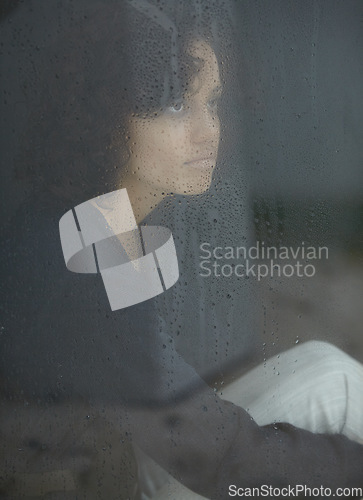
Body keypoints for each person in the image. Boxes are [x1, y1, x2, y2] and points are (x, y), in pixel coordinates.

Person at [1, 1, 362, 499]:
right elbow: (223, 461)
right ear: (106, 115)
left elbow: (156, 387)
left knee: (329, 367)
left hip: (136, 453)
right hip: (121, 484)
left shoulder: (86, 215)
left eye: (211, 102)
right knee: (340, 392)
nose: (208, 129)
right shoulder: (79, 262)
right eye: (176, 105)